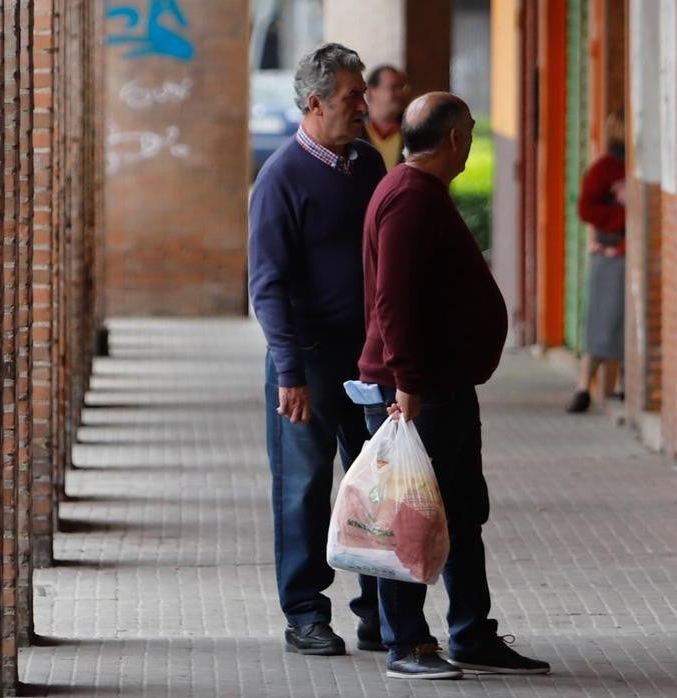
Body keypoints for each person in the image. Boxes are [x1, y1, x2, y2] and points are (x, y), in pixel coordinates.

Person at [355, 91, 551, 680]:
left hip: (443, 388)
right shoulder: (410, 199)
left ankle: (471, 633)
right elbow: (393, 302)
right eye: (467, 130)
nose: (470, 140)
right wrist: (409, 384)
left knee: (463, 514)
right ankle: (407, 645)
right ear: (453, 140)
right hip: (418, 395)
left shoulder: (419, 192)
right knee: (407, 519)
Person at [247, 43, 387, 657]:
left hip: (367, 359)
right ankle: (305, 614)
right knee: (303, 489)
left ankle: (379, 613)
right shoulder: (280, 179)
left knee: (373, 487)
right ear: (315, 102)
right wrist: (288, 372)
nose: (365, 106)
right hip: (303, 361)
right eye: (354, 97)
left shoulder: (368, 165)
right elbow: (267, 284)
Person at [566, 111, 627, 413]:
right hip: (609, 253)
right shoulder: (604, 168)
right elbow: (586, 208)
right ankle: (583, 386)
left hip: (626, 253)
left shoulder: (630, 166)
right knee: (603, 321)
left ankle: (620, 385)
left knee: (624, 322)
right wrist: (621, 217)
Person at [362, 65, 409, 171]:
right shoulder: (353, 131)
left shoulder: (411, 130)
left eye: (402, 88)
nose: (400, 93)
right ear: (371, 91)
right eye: (394, 87)